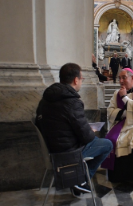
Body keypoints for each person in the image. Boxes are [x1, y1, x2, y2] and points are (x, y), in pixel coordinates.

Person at [35, 63, 113, 197]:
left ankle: (77, 178)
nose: (81, 82)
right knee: (107, 144)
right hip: (68, 153)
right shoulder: (72, 101)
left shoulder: (46, 99)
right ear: (76, 80)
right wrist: (90, 130)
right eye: (82, 79)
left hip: (53, 149)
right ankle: (81, 180)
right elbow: (86, 137)